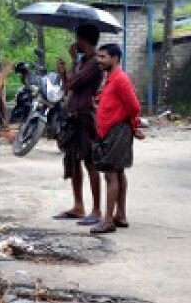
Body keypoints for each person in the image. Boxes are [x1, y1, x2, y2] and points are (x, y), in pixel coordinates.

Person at [89, 43, 145, 234]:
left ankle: (108, 220)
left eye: (103, 57)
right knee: (118, 173)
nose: (99, 60)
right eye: (98, 56)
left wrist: (131, 124)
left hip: (117, 130)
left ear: (114, 58)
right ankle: (120, 215)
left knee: (111, 174)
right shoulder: (110, 79)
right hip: (112, 129)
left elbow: (134, 106)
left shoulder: (120, 79)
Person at [52, 23, 103, 225]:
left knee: (90, 162)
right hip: (73, 116)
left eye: (77, 39)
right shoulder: (83, 62)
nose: (75, 43)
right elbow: (67, 88)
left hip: (85, 116)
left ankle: (97, 209)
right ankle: (78, 205)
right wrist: (65, 71)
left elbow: (74, 83)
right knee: (73, 161)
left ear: (84, 40)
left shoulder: (94, 63)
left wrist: (73, 62)